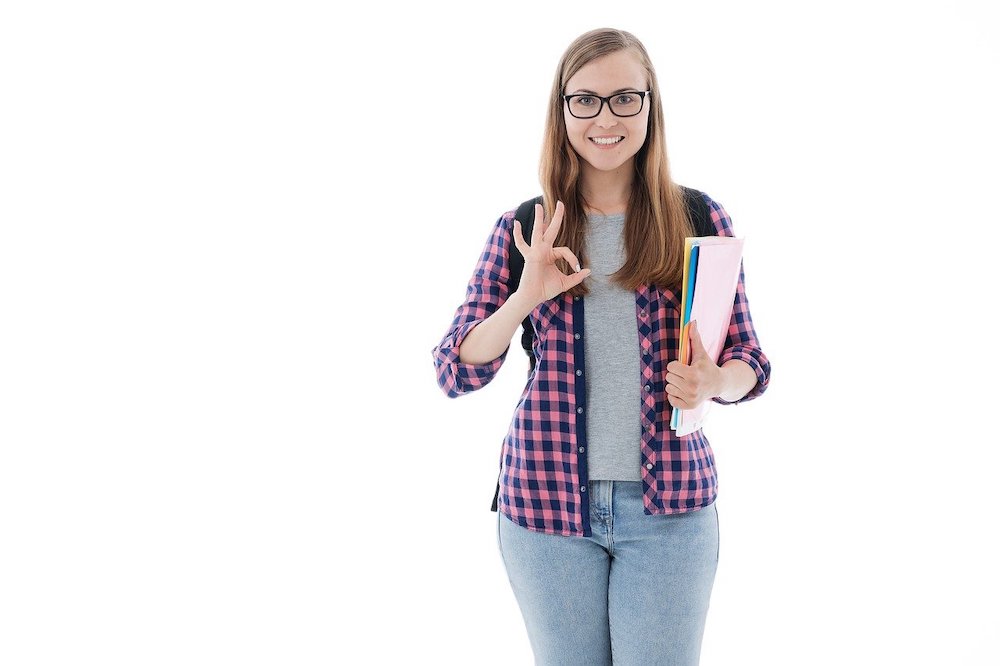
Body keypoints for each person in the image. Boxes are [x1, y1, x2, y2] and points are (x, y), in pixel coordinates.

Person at [430, 27, 771, 666]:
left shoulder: (698, 221)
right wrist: (524, 296)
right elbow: (456, 369)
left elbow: (750, 361)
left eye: (624, 99)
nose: (604, 118)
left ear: (651, 106)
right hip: (546, 508)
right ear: (562, 112)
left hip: (670, 512)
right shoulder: (526, 228)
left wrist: (713, 383)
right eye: (584, 100)